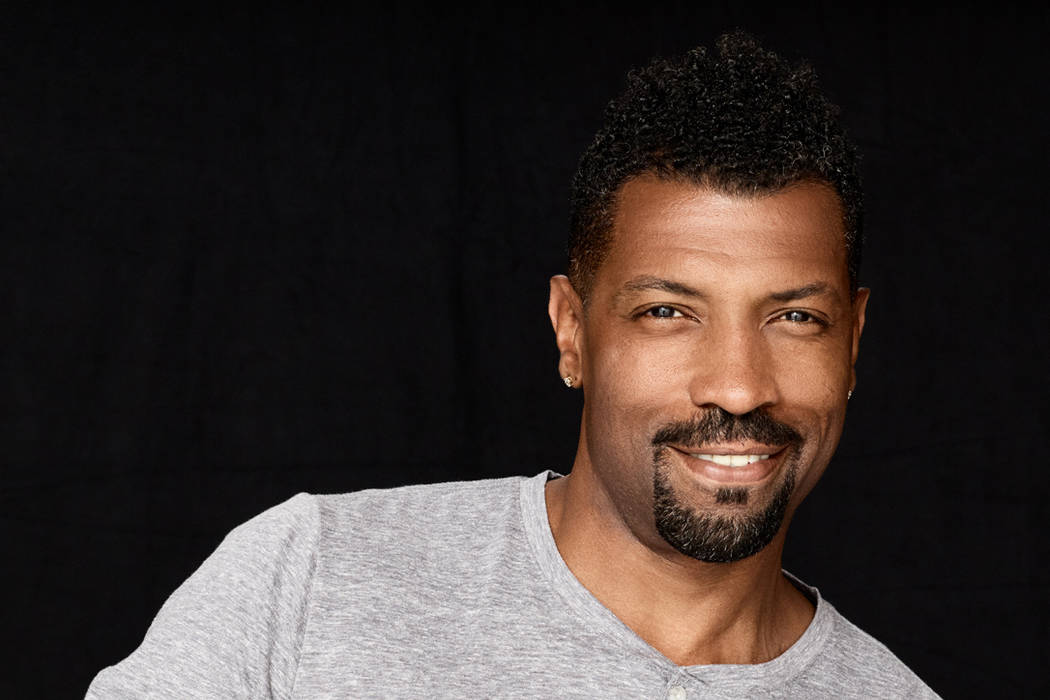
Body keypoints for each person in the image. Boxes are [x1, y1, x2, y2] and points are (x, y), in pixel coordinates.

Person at [87, 32, 939, 698]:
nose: (739, 386)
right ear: (572, 331)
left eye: (795, 318)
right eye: (668, 313)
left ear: (852, 342)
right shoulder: (316, 580)